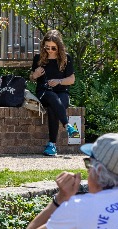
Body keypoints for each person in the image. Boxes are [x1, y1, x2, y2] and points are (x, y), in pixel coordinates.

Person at [29, 29, 79, 157]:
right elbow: (32, 78)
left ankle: (52, 145)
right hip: (44, 92)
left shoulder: (66, 58)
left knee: (53, 108)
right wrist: (35, 74)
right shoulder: (38, 58)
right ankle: (67, 125)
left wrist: (59, 81)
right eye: (47, 47)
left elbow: (71, 79)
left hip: (62, 92)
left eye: (53, 48)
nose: (49, 50)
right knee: (51, 97)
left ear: (59, 47)